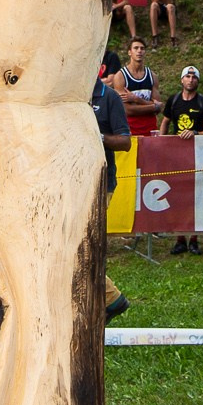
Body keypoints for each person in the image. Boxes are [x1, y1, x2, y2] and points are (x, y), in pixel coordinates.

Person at [88, 50, 135, 320]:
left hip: (100, 183)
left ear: (101, 68)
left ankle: (111, 299)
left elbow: (125, 142)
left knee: (85, 247)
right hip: (70, 182)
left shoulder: (110, 98)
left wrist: (96, 137)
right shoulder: (71, 97)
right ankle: (102, 298)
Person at [160, 65, 203, 258]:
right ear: (181, 80)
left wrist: (194, 132)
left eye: (194, 77)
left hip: (196, 153)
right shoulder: (174, 100)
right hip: (176, 154)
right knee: (177, 196)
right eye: (187, 76)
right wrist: (160, 142)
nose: (191, 79)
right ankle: (179, 238)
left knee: (195, 197)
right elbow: (165, 121)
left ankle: (194, 239)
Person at [110, 39, 162, 137]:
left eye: (142, 48)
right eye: (136, 48)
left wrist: (136, 99)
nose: (139, 51)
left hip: (150, 128)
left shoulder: (152, 76)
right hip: (131, 129)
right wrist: (152, 106)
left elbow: (158, 108)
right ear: (130, 52)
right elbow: (127, 110)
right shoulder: (120, 76)